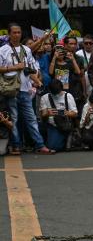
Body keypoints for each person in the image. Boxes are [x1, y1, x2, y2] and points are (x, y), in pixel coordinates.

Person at [0, 23, 53, 154]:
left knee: (31, 119)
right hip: (10, 89)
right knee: (14, 119)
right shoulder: (3, 50)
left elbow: (28, 69)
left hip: (25, 89)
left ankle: (40, 145)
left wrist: (37, 81)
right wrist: (14, 67)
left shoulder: (27, 50)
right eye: (14, 32)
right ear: (9, 34)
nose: (17, 35)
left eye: (19, 32)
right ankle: (16, 146)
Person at [39, 79, 78, 151]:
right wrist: (48, 113)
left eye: (58, 92)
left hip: (65, 125)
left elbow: (75, 113)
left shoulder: (68, 96)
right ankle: (63, 140)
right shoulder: (44, 98)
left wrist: (67, 113)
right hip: (52, 125)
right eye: (54, 93)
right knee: (52, 146)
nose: (56, 95)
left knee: (53, 145)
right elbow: (42, 115)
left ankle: (67, 137)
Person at [49, 37, 84, 106]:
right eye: (59, 52)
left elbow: (78, 72)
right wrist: (54, 57)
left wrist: (73, 59)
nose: (61, 54)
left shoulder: (69, 62)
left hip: (69, 89)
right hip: (56, 90)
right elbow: (50, 72)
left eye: (62, 53)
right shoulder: (54, 62)